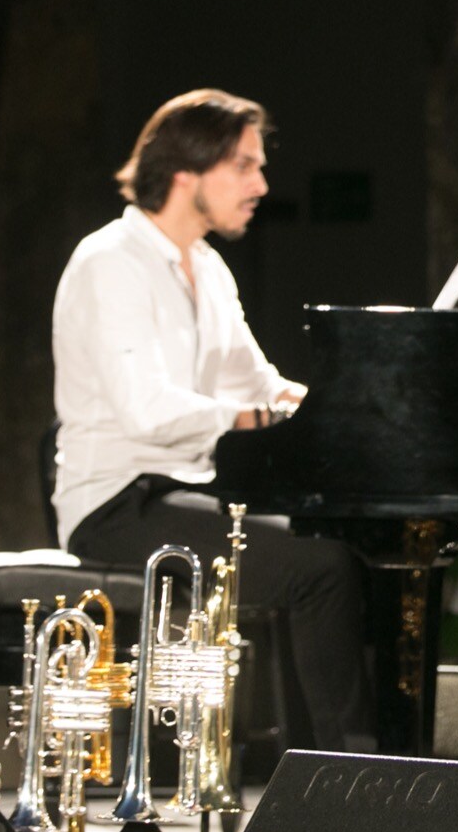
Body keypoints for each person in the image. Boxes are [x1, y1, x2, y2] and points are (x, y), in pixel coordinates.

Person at [52, 88, 376, 753]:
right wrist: (250, 415)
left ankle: (329, 764)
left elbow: (259, 383)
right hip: (114, 507)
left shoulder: (206, 265)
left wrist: (348, 405)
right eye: (246, 166)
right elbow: (146, 409)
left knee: (339, 546)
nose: (262, 183)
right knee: (320, 567)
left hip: (183, 494)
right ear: (186, 172)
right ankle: (345, 778)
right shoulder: (109, 261)